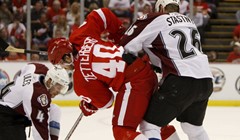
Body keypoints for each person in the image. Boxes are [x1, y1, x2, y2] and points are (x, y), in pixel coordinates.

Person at [47, 8, 178, 140]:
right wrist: (120, 36)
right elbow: (102, 14)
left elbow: (107, 102)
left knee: (122, 131)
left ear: (67, 58)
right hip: (146, 68)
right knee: (155, 124)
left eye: (61, 63)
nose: (64, 67)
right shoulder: (79, 36)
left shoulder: (80, 82)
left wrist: (92, 105)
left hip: (134, 83)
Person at [120, 0, 213, 139]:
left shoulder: (156, 18)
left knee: (149, 126)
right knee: (193, 128)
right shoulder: (189, 21)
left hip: (181, 79)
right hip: (205, 80)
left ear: (161, 7)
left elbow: (125, 45)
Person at [0, 63, 70, 140]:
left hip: (15, 108)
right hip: (6, 117)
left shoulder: (38, 68)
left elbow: (26, 68)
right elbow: (39, 131)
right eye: (58, 87)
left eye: (62, 88)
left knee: (55, 109)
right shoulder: (38, 95)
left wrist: (20, 87)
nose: (59, 91)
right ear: (50, 81)